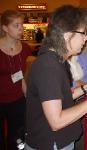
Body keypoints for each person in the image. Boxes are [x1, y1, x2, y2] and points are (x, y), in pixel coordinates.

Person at [25, 5, 87, 150]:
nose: (86, 38)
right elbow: (56, 121)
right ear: (67, 34)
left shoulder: (59, 60)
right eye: (82, 33)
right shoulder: (48, 67)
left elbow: (62, 98)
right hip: (50, 143)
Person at [0, 10, 32, 150]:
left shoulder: (25, 48)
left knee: (17, 136)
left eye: (22, 25)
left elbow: (21, 75)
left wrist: (28, 96)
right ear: (5, 28)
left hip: (18, 99)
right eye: (16, 25)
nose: (21, 28)